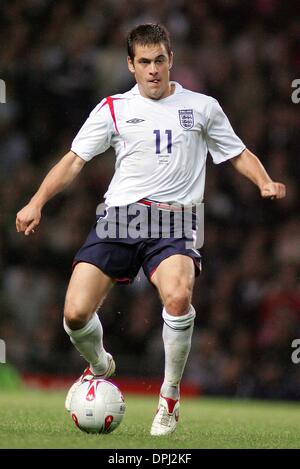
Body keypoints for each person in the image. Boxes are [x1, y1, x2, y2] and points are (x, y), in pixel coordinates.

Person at [16, 23, 286, 436]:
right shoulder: (112, 108)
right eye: (144, 62)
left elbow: (237, 152)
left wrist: (263, 181)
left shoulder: (202, 107)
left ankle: (170, 396)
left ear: (171, 59)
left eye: (160, 60)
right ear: (131, 65)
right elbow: (74, 160)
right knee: (74, 315)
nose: (154, 70)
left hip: (176, 221)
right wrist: (37, 201)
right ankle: (101, 364)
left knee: (178, 297)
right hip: (120, 218)